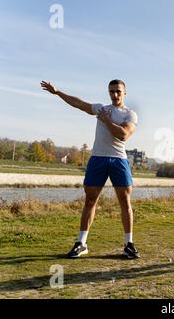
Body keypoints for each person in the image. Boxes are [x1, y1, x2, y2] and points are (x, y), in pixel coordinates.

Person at [40, 79, 140, 259]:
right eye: (111, 91)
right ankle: (81, 244)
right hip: (97, 159)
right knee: (90, 201)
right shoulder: (101, 108)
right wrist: (58, 92)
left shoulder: (130, 114)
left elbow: (123, 134)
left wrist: (107, 120)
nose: (115, 95)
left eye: (118, 91)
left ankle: (129, 245)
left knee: (125, 202)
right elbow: (79, 103)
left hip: (119, 160)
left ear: (125, 92)